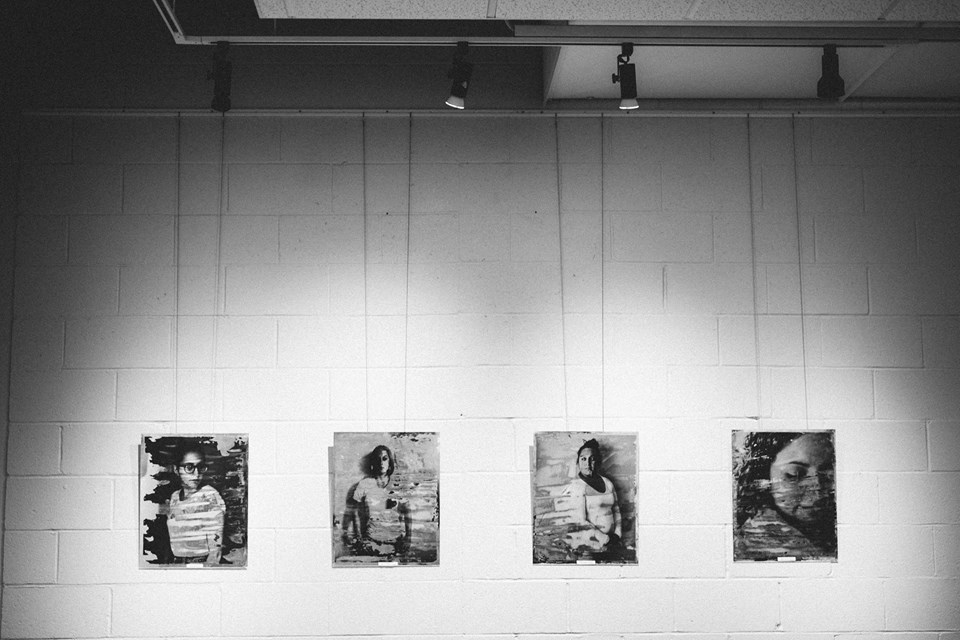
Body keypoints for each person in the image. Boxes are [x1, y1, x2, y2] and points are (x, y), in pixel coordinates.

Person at [734, 431, 837, 561]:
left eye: (828, 474)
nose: (817, 491)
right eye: (794, 474)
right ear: (764, 475)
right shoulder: (752, 544)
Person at [345, 445, 411, 557]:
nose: (381, 462)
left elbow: (407, 511)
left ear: (390, 463)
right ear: (373, 463)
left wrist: (408, 538)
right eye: (378, 459)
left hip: (396, 542)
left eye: (385, 459)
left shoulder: (398, 484)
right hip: (371, 542)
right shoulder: (365, 484)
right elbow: (354, 511)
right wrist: (359, 538)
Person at [561, 438, 622, 556]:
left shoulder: (608, 483)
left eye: (592, 459)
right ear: (578, 462)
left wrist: (617, 534)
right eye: (583, 459)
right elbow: (580, 521)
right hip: (589, 547)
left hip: (612, 545)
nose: (587, 463)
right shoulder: (576, 487)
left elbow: (616, 509)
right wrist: (605, 539)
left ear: (597, 461)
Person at [166, 446, 226, 565]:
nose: (197, 474)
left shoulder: (209, 495)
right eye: (189, 467)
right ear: (176, 469)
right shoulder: (175, 497)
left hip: (199, 562)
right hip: (177, 562)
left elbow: (216, 548)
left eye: (201, 467)